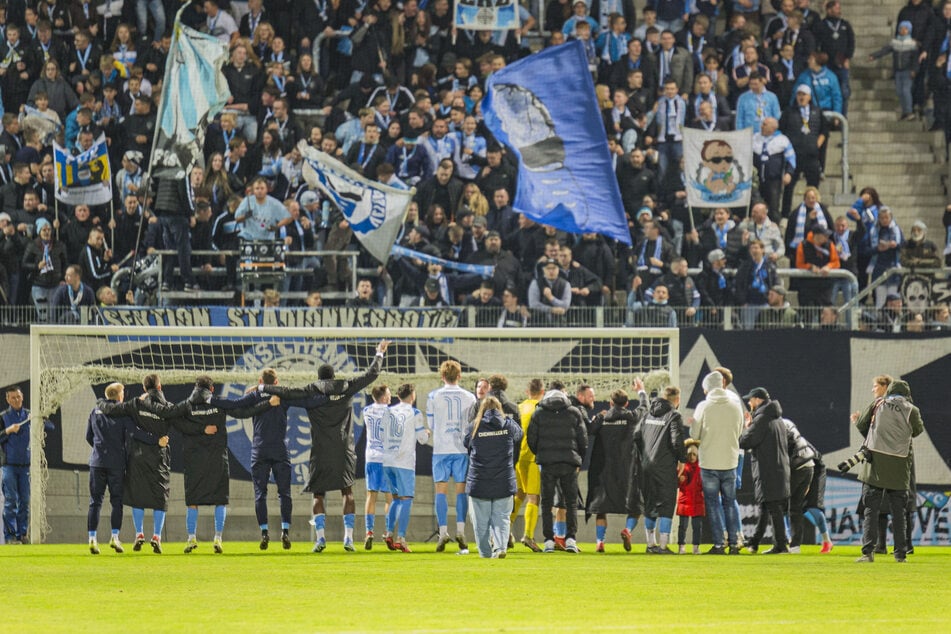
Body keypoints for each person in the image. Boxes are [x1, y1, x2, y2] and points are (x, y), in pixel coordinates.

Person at [261, 340, 388, 553]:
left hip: (320, 451)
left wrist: (264, 387)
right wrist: (379, 353)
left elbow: (287, 392)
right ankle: (348, 539)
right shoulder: (346, 387)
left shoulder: (312, 392)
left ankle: (320, 539)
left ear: (320, 378)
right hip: (343, 450)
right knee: (347, 492)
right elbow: (371, 375)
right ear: (333, 375)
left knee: (318, 494)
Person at [96, 375, 190, 554]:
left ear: (144, 388)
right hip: (159, 456)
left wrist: (100, 401)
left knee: (136, 495)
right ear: (160, 386)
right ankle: (156, 536)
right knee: (160, 497)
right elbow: (183, 425)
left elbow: (112, 409)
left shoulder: (136, 404)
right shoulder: (168, 408)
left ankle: (139, 534)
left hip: (137, 456)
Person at [178, 375, 272, 554]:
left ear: (195, 388)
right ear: (211, 389)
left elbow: (175, 421)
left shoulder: (186, 405)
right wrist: (267, 403)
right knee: (220, 499)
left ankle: (191, 538)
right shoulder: (218, 403)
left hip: (193, 460)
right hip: (217, 458)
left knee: (192, 501)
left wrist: (199, 429)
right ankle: (218, 538)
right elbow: (242, 412)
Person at [213, 368, 293, 550]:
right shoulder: (283, 396)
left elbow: (234, 406)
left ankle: (264, 533)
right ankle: (285, 531)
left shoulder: (256, 395)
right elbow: (297, 394)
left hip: (260, 450)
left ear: (260, 380)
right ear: (277, 382)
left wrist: (212, 401)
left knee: (260, 494)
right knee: (285, 493)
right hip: (280, 450)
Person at [851, 379, 924, 563]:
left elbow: (861, 424)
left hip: (874, 464)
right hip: (899, 467)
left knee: (871, 510)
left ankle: (868, 553)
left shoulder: (878, 403)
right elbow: (917, 431)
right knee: (899, 513)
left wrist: (878, 432)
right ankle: (900, 554)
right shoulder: (911, 410)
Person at [526, 383, 588, 553]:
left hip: (547, 463)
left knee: (546, 503)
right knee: (571, 503)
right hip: (569, 462)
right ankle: (570, 540)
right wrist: (577, 458)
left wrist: (542, 454)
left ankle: (548, 541)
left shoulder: (539, 413)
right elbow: (583, 440)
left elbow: (531, 439)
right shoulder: (574, 412)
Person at [690, 371, 744, 554]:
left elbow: (694, 435)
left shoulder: (703, 407)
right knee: (730, 502)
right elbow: (739, 432)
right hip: (730, 461)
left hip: (709, 463)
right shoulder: (736, 406)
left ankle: (720, 544)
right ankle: (735, 544)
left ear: (707, 388)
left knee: (713, 504)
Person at [586, 384, 645, 553]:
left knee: (601, 508)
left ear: (611, 403)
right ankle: (627, 530)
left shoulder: (602, 419)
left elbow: (589, 430)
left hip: (603, 471)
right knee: (636, 506)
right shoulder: (633, 417)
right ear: (626, 404)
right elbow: (644, 407)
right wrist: (641, 391)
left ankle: (600, 542)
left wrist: (598, 417)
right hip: (627, 472)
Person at [427, 359, 477, 553]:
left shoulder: (433, 396)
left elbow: (431, 425)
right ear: (459, 375)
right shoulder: (470, 397)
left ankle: (443, 532)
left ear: (442, 376)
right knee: (461, 490)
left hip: (440, 449)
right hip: (461, 449)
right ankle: (461, 531)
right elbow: (473, 424)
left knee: (440, 490)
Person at [464, 396, 523, 559]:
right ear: (500, 409)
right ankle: (500, 548)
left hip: (479, 481)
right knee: (502, 519)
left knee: (480, 523)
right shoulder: (508, 425)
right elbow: (520, 435)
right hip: (504, 481)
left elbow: (466, 444)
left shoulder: (473, 427)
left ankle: (485, 553)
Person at [86, 383, 140, 555]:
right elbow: (132, 435)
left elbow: (89, 436)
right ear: (118, 395)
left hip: (97, 462)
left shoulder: (95, 412)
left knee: (95, 501)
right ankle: (115, 537)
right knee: (116, 501)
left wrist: (99, 449)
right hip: (116, 463)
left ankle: (92, 539)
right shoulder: (122, 413)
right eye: (123, 392)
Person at [739, 387, 790, 554]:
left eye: (751, 399)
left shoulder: (762, 419)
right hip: (778, 468)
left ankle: (781, 545)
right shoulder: (777, 419)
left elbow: (747, 441)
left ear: (758, 400)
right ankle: (754, 543)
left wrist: (746, 429)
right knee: (766, 506)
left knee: (773, 507)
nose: (749, 402)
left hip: (767, 469)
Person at [382, 383, 429, 553]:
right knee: (406, 499)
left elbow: (381, 434)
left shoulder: (388, 411)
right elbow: (422, 439)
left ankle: (388, 533)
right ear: (412, 395)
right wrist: (427, 433)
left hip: (387, 461)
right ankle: (401, 538)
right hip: (404, 462)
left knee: (395, 499)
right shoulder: (414, 413)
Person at [639, 385, 686, 554]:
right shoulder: (674, 415)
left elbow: (637, 436)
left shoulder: (647, 414)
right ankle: (663, 545)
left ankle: (650, 544)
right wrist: (682, 459)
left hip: (646, 465)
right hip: (664, 466)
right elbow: (676, 440)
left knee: (650, 503)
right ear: (677, 400)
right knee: (666, 504)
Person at [2, 386, 51, 544]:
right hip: (9, 465)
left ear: (22, 397)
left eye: (18, 397)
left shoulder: (30, 414)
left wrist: (39, 418)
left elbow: (51, 427)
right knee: (10, 501)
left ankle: (22, 535)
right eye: (13, 398)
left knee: (25, 501)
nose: (16, 400)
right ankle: (10, 537)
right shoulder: (3, 417)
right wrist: (8, 431)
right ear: (7, 400)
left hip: (26, 466)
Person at [356, 384, 392, 550]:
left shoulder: (367, 411)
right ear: (384, 397)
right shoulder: (392, 413)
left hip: (371, 457)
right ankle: (387, 532)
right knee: (389, 497)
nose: (391, 397)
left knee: (371, 495)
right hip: (386, 459)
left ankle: (369, 532)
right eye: (389, 395)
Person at [512, 378, 544, 551]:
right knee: (533, 497)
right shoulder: (541, 409)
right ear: (542, 392)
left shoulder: (519, 407)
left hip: (518, 458)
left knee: (519, 494)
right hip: (532, 458)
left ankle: (503, 532)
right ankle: (528, 536)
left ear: (527, 392)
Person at [782, 417, 817, 553]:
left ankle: (782, 542)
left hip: (797, 467)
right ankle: (795, 545)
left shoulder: (777, 426)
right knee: (795, 507)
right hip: (809, 466)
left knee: (779, 504)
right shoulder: (788, 423)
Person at [676, 440, 704, 555]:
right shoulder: (682, 466)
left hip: (697, 500)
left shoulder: (702, 467)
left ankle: (696, 547)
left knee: (697, 526)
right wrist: (679, 480)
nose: (692, 457)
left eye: (694, 454)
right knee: (682, 526)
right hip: (685, 499)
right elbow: (677, 483)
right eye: (690, 454)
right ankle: (681, 546)